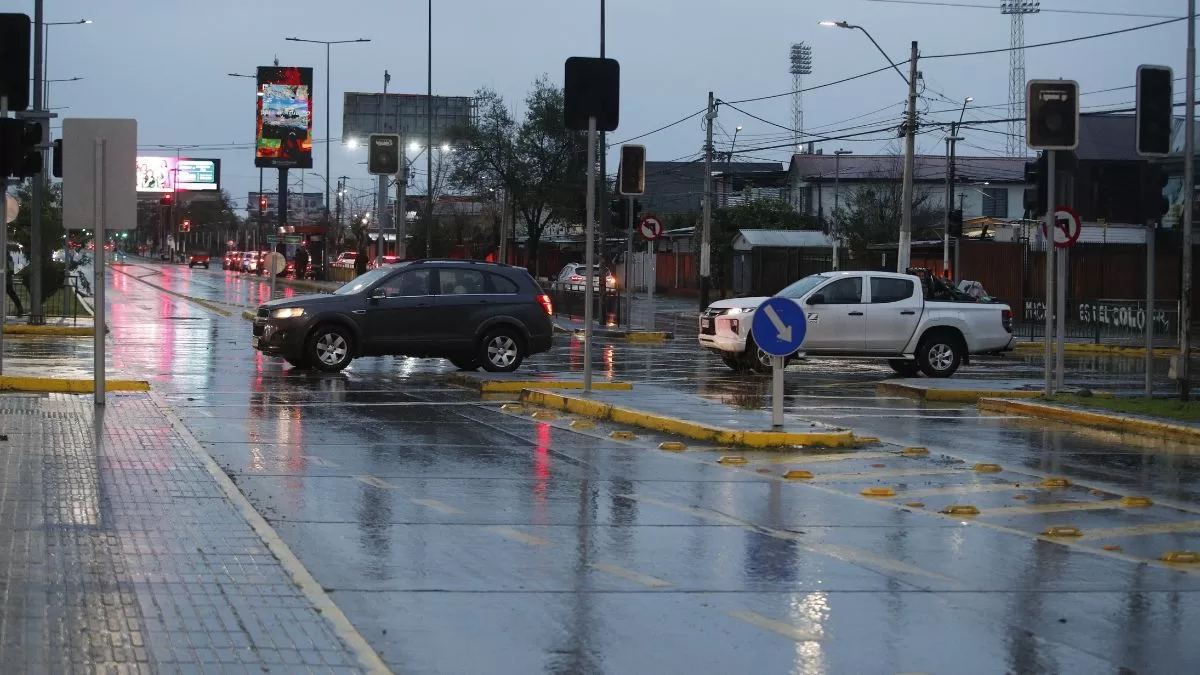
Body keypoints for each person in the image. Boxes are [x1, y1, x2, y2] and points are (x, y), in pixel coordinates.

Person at [6, 250, 24, 317]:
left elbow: (11, 270)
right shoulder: (8, 257)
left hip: (6, 281)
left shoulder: (8, 258)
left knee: (12, 295)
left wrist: (7, 272)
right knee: (13, 295)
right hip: (6, 281)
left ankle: (20, 309)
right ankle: (20, 309)